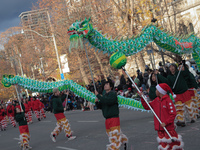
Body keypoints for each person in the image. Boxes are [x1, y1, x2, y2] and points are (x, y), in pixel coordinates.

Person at [139, 83, 184, 150]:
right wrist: (142, 98)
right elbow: (147, 107)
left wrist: (166, 122)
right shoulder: (156, 100)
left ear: (160, 91)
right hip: (160, 129)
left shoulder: (168, 101)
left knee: (173, 146)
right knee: (163, 147)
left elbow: (173, 114)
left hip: (168, 129)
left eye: (156, 90)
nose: (155, 91)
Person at [95, 80, 128, 150]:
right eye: (104, 84)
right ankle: (123, 141)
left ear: (111, 86)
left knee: (114, 137)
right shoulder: (104, 96)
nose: (105, 85)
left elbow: (108, 101)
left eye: (107, 84)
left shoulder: (113, 94)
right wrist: (97, 103)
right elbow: (101, 106)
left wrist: (98, 95)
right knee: (111, 135)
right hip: (107, 119)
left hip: (114, 118)